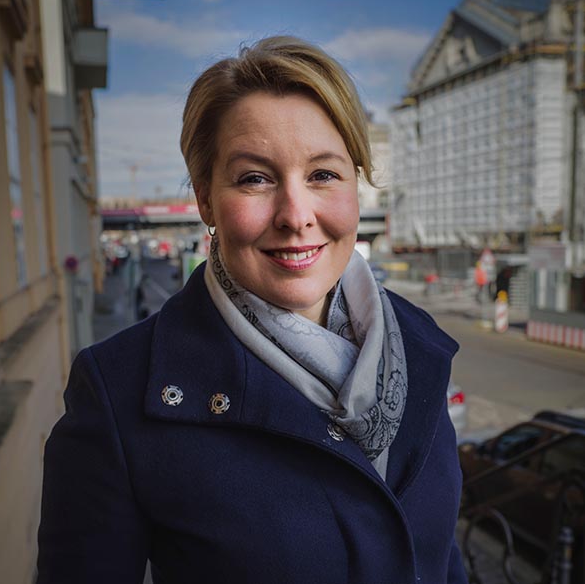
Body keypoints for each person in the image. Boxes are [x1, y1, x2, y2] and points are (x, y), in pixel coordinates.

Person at [37, 36, 467, 584]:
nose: (295, 214)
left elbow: (438, 557)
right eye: (255, 178)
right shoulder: (118, 393)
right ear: (205, 198)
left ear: (355, 184)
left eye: (323, 174)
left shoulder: (416, 339)